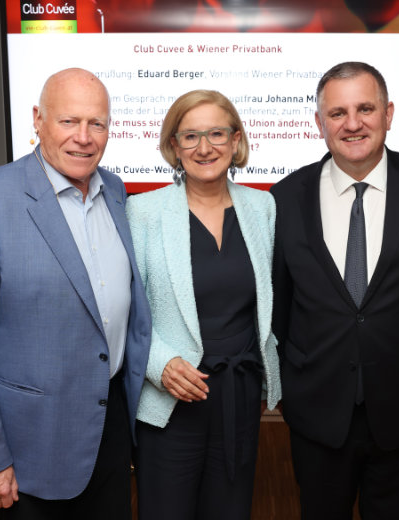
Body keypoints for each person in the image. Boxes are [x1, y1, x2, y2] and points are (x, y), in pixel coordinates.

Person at [271, 62, 399, 519]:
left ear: (388, 114)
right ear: (320, 123)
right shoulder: (284, 197)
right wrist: (286, 383)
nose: (352, 124)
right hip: (319, 405)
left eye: (365, 109)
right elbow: (281, 305)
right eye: (337, 113)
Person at [0, 68, 151, 519]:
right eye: (68, 121)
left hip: (109, 426)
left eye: (96, 123)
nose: (84, 137)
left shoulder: (114, 190)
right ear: (38, 119)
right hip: (32, 445)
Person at [126, 89, 281, 520]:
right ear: (174, 146)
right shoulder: (142, 212)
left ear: (235, 140)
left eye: (216, 133)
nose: (204, 147)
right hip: (172, 397)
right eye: (190, 136)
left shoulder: (263, 207)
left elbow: (269, 304)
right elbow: (126, 311)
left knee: (230, 509)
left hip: (239, 394)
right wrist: (160, 365)